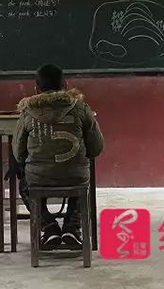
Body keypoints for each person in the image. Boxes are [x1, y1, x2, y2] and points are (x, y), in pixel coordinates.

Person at [13, 64, 105, 246]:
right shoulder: (81, 108)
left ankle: (49, 227)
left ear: (36, 89)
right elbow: (96, 148)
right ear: (65, 85)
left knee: (25, 186)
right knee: (82, 178)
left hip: (39, 178)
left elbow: (19, 154)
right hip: (75, 177)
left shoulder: (27, 113)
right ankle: (72, 227)